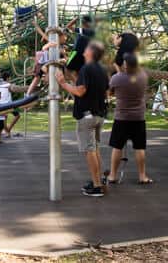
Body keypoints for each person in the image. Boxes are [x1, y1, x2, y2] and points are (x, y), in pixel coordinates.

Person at [56, 41, 109, 197]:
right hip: (98, 115)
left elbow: (80, 91)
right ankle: (98, 181)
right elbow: (98, 90)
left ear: (90, 52)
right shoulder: (102, 70)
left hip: (87, 116)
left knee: (89, 150)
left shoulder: (87, 68)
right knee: (95, 148)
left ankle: (97, 186)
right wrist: (68, 73)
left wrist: (62, 83)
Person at [107, 52, 152, 185]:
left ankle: (113, 175)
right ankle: (142, 176)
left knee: (117, 147)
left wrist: (115, 68)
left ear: (126, 65)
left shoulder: (117, 78)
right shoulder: (143, 77)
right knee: (139, 147)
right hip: (138, 117)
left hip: (121, 118)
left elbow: (110, 92)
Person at [0, 72, 26, 137]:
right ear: (8, 78)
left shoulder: (0, 85)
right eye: (10, 77)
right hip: (8, 104)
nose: (10, 78)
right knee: (15, 116)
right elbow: (14, 88)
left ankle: (8, 130)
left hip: (3, 104)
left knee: (6, 117)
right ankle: (8, 131)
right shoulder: (8, 85)